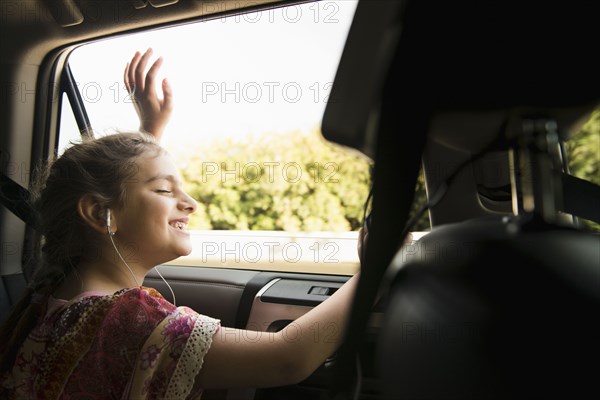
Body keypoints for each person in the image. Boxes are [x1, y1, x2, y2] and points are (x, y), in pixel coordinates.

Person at [0, 48, 359, 399]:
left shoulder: (45, 302)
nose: (190, 204)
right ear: (98, 213)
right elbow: (287, 359)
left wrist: (150, 133)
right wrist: (373, 265)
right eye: (164, 190)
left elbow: (125, 189)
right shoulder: (125, 319)